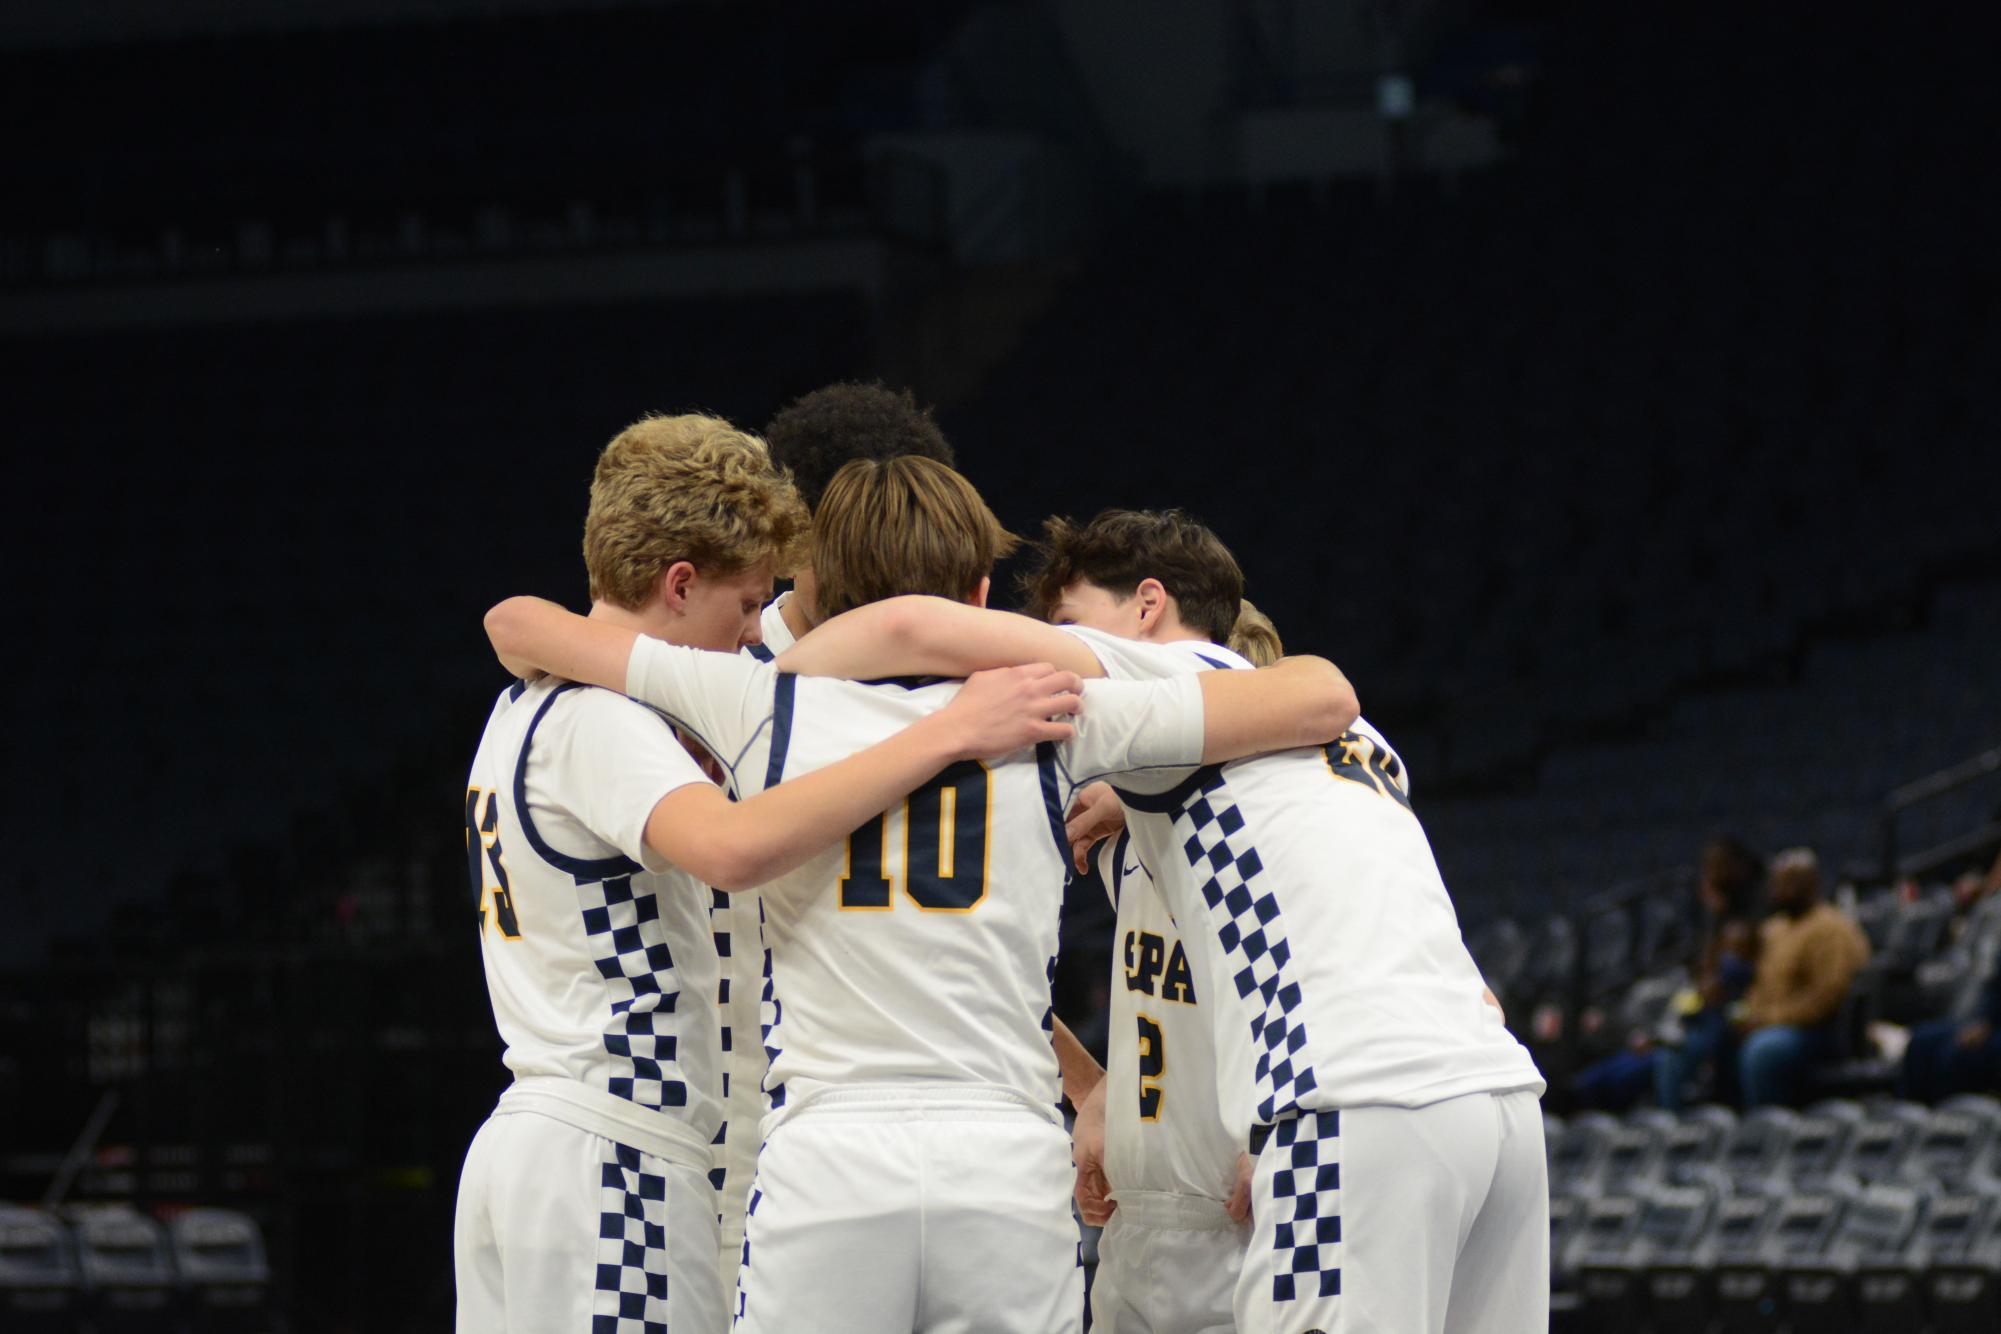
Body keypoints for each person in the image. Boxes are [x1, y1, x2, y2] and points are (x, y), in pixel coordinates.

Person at [483, 463, 1361, 1334]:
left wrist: (820, 653)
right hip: (1002, 1153)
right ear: (980, 592)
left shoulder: (752, 698)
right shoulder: (1061, 710)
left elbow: (521, 624)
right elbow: (1319, 698)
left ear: (817, 594)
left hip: (828, 1153)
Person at [778, 507, 1548, 1334]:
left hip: (1351, 1106)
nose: (1052, 650)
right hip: (1498, 1106)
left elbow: (904, 626)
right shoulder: (1351, 745)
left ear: (1147, 605)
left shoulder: (1160, 687)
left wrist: (776, 686)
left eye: (1067, 624)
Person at [454, 414, 1087, 1333]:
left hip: (543, 1142)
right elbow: (737, 848)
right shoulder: (607, 720)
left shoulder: (525, 698)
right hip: (615, 1146)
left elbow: (513, 621)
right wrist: (946, 733)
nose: (758, 632)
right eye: (748, 605)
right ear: (679, 584)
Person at [710, 380, 958, 1292]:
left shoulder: (961, 671)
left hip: (871, 1109)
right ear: (796, 542)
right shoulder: (724, 665)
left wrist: (1083, 1081)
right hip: (731, 1109)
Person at [1066, 599, 1283, 1334]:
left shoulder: (1288, 860)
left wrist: (1280, 1133)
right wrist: (1094, 1089)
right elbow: (993, 976)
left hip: (1243, 1217)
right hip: (1133, 1224)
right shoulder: (1126, 844)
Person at [1736, 848, 1871, 1108]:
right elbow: (1757, 984)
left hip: (1818, 1032)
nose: (1780, 890)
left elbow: (1827, 997)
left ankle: (1769, 1129)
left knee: (1764, 1050)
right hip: (1771, 1024)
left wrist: (1768, 1020)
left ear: (1812, 885)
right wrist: (1750, 1015)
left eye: (1790, 882)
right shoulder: (1773, 930)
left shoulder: (1831, 929)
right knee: (1713, 1040)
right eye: (1777, 882)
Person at [1654, 837, 1762, 1110]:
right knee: (1665, 1049)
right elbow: (1702, 980)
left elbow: (1728, 977)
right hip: (1712, 1013)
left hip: (1746, 1009)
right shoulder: (1710, 920)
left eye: (1716, 866)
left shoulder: (1757, 911)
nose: (1709, 874)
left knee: (1675, 1053)